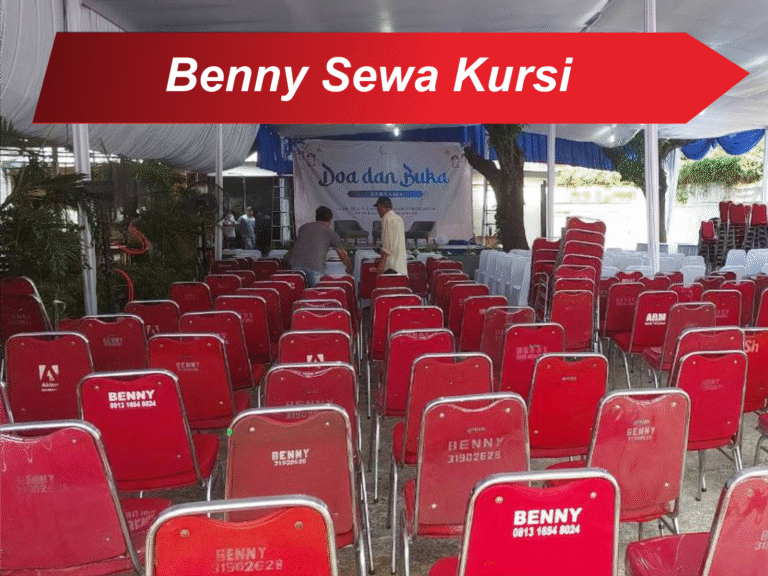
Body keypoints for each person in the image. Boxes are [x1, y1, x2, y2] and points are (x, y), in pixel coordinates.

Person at [286, 206, 353, 287]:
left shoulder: (303, 227)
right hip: (315, 267)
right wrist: (350, 268)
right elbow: (342, 254)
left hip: (296, 265)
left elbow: (296, 246)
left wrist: (285, 259)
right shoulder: (331, 233)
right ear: (330, 219)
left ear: (316, 217)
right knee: (317, 292)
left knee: (297, 291)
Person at [374, 196, 407, 275]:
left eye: (378, 208)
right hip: (401, 265)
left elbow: (387, 246)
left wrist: (382, 264)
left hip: (391, 267)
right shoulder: (399, 218)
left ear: (382, 207)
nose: (378, 211)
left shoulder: (387, 219)